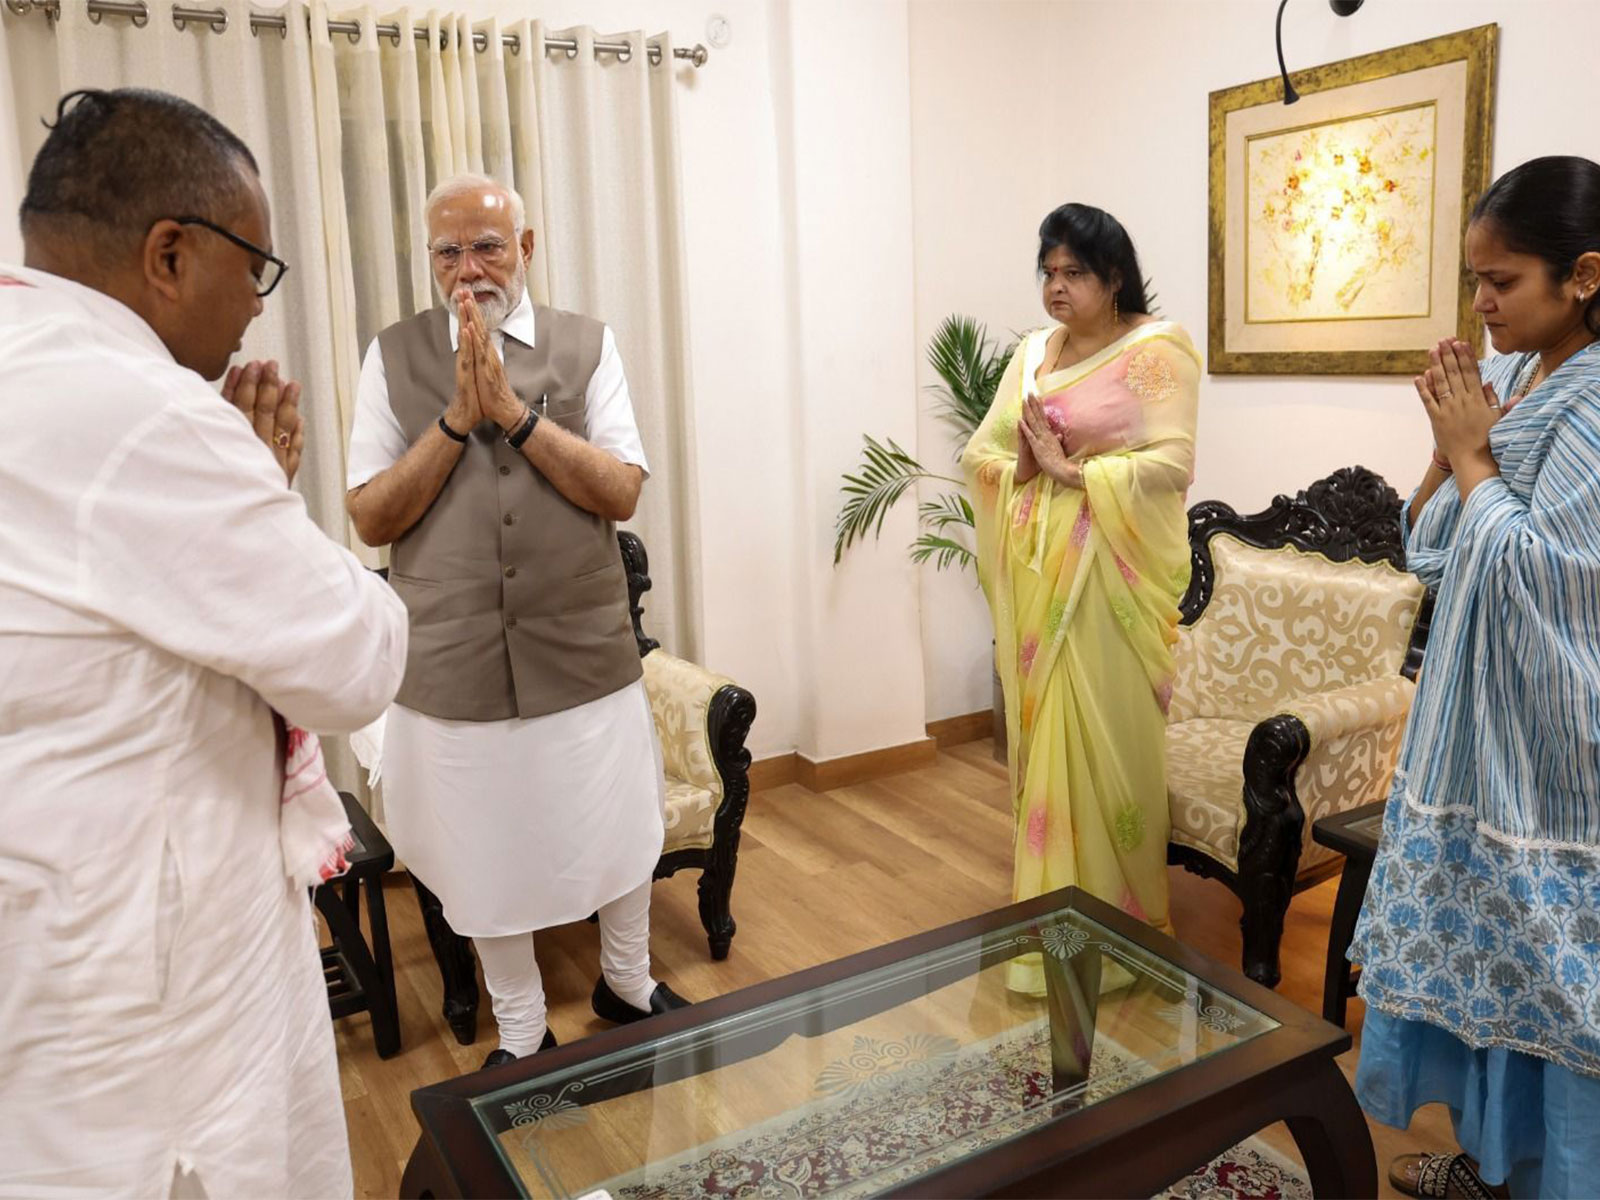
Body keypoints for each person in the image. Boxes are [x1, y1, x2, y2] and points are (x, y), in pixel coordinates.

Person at [0, 89, 408, 1198]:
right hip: (143, 999)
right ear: (169, 254)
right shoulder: (148, 414)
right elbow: (359, 657)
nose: (256, 312)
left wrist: (246, 512)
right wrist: (262, 493)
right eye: (256, 270)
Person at [345, 172, 685, 1068]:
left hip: (582, 650)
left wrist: (516, 417)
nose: (468, 270)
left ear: (526, 249)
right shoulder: (390, 357)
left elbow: (620, 488)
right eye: (447, 251)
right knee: (485, 854)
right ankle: (523, 1030)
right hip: (453, 663)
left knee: (613, 826)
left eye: (487, 246)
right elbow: (372, 517)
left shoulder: (588, 345)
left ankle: (628, 982)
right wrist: (458, 420)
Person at [1349, 155, 1600, 1200]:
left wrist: (1471, 457)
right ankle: (1487, 1164)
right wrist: (1446, 450)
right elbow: (1434, 552)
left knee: (1543, 982)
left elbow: (1551, 583)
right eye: (1474, 281)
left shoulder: (1590, 405)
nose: (1482, 304)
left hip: (1543, 761)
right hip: (1470, 736)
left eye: (1503, 282)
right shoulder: (1514, 382)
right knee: (1479, 976)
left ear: (1583, 274)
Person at [961, 202, 1201, 994]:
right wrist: (1029, 469)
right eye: (1049, 273)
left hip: (1111, 573)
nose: (1057, 289)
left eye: (1075, 274)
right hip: (1041, 568)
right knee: (1050, 739)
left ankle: (1121, 918)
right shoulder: (1034, 353)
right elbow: (984, 452)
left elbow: (1172, 464)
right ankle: (1052, 909)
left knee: (1108, 737)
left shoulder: (1155, 353)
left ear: (1115, 278)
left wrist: (1077, 475)